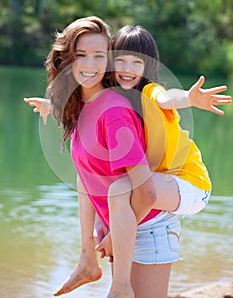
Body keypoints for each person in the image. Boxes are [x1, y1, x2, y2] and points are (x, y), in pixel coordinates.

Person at [24, 23, 232, 298]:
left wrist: (190, 99)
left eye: (137, 62)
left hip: (186, 186)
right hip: (141, 212)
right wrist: (54, 105)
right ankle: (87, 259)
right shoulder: (108, 99)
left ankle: (119, 286)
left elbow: (168, 98)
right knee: (95, 180)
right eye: (120, 60)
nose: (127, 68)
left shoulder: (148, 94)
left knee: (118, 189)